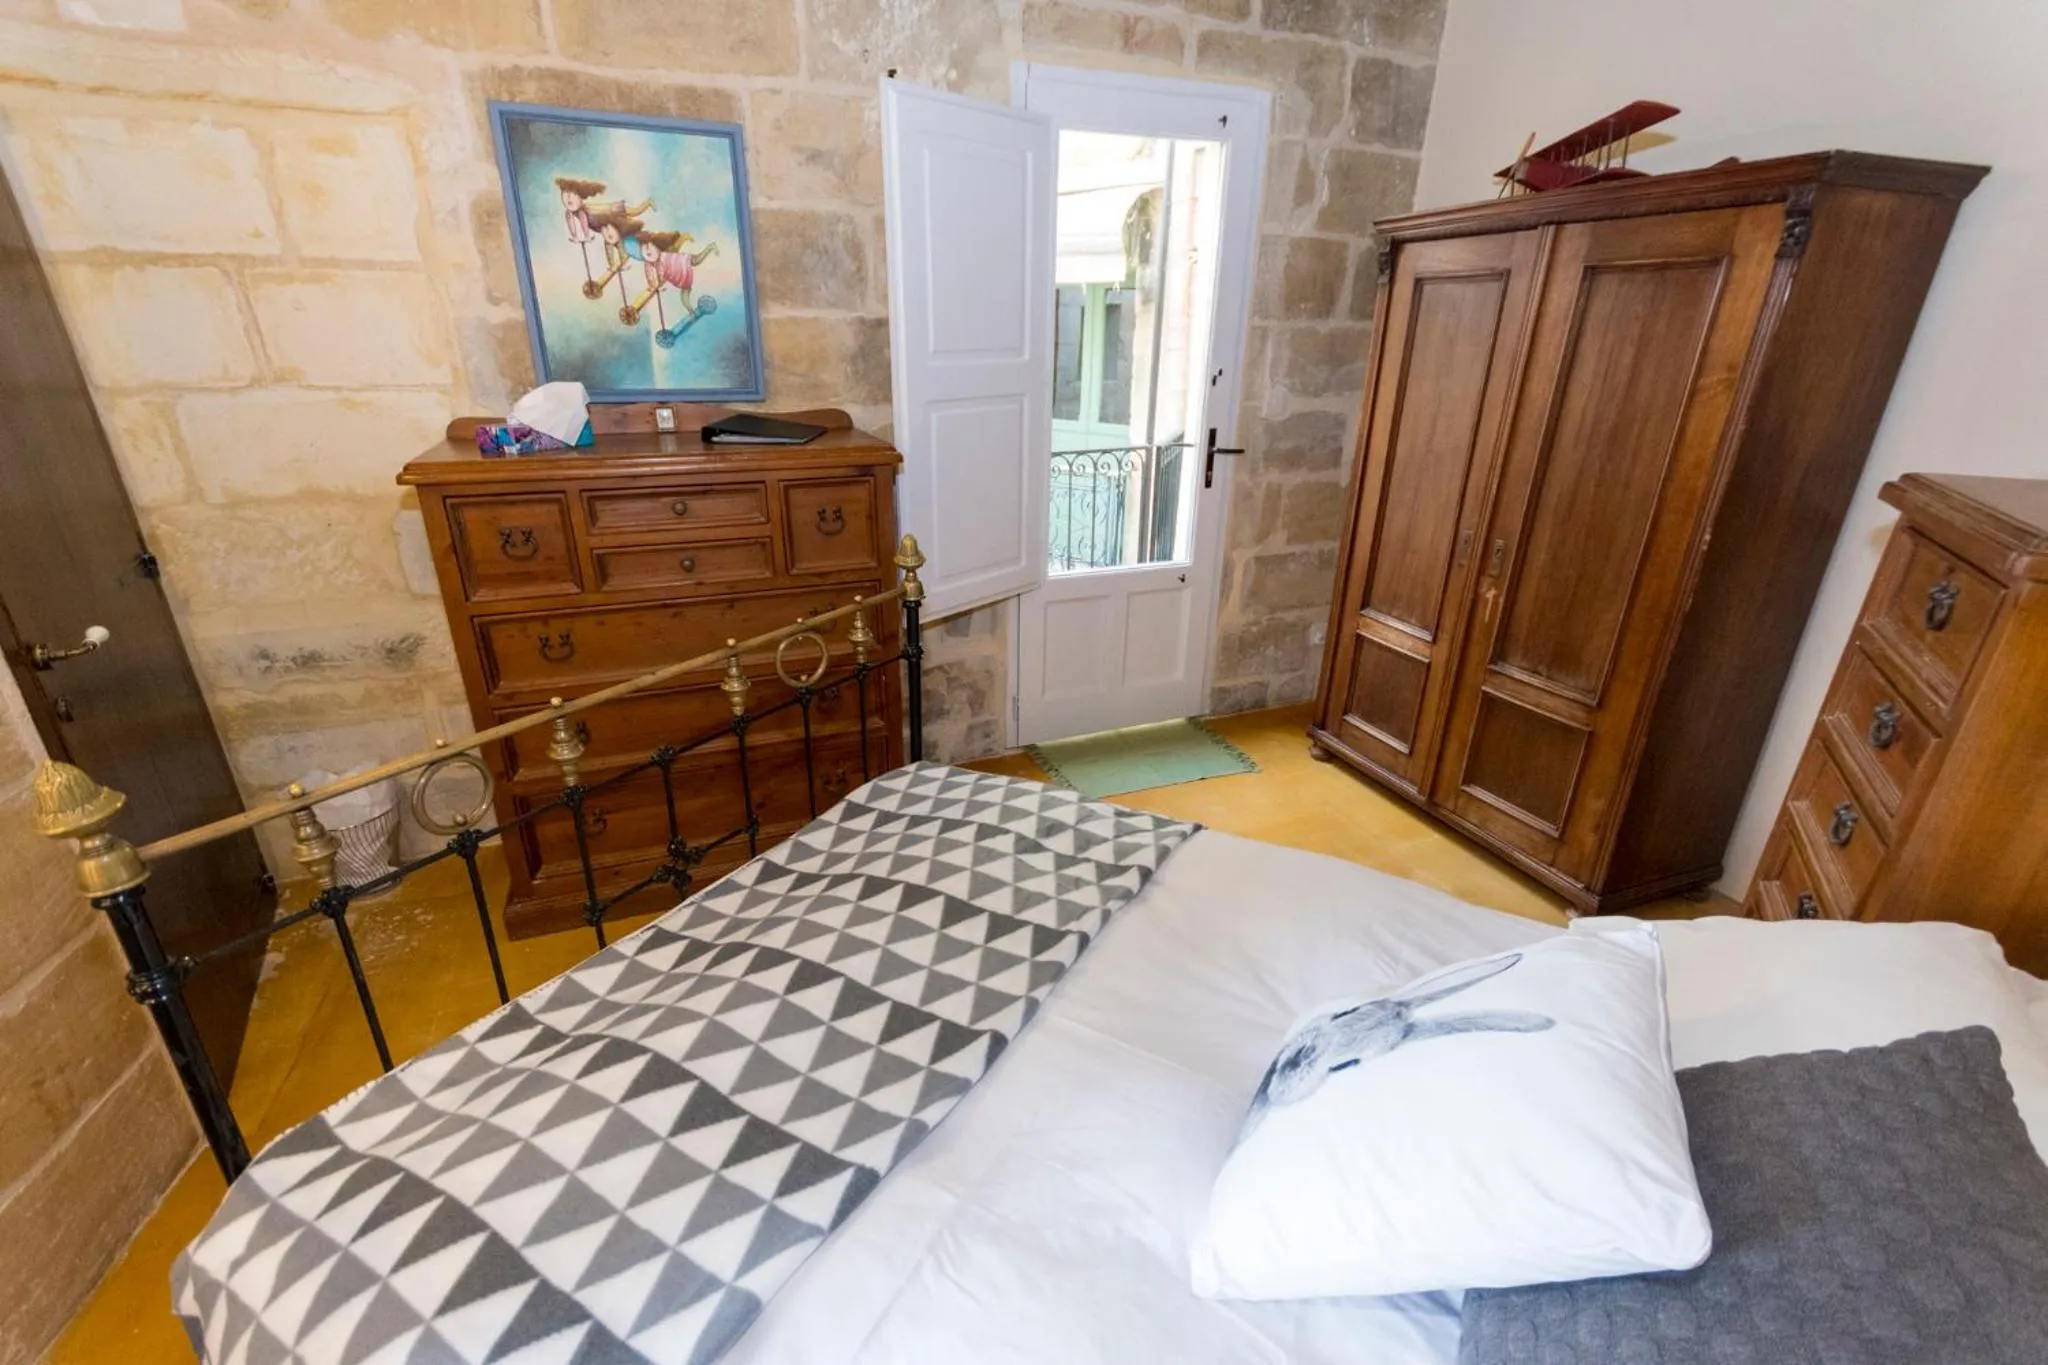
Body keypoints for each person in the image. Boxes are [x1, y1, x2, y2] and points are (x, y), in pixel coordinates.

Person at [554, 177, 653, 282]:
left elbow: (584, 224)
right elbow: (571, 223)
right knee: (611, 242)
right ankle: (615, 264)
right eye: (565, 195)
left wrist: (586, 236)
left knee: (635, 212)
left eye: (572, 195)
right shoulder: (571, 212)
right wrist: (574, 236)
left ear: (579, 197)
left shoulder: (583, 212)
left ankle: (649, 202)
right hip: (606, 225)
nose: (568, 199)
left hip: (613, 212)